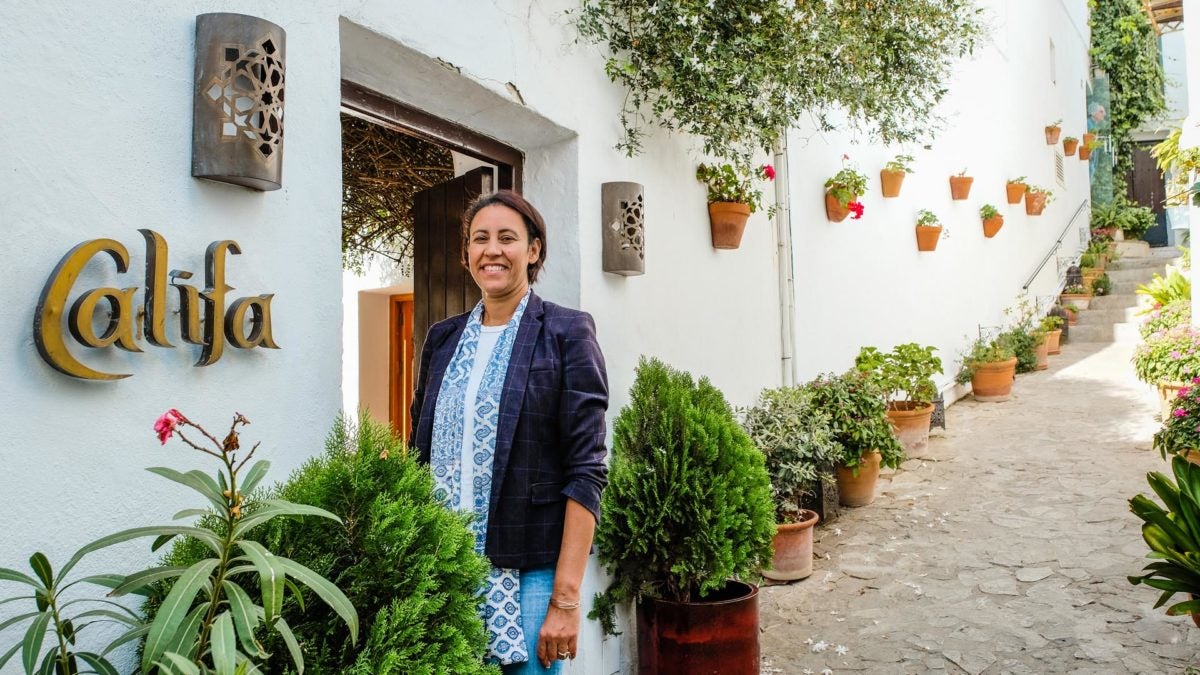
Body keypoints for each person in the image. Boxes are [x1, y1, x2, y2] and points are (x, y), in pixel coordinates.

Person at [409, 189, 609, 673]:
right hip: (444, 570)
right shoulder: (443, 339)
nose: (492, 250)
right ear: (466, 254)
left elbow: (587, 470)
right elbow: (420, 449)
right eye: (480, 238)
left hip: (528, 571)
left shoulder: (566, 333)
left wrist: (564, 600)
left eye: (507, 238)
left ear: (533, 250)